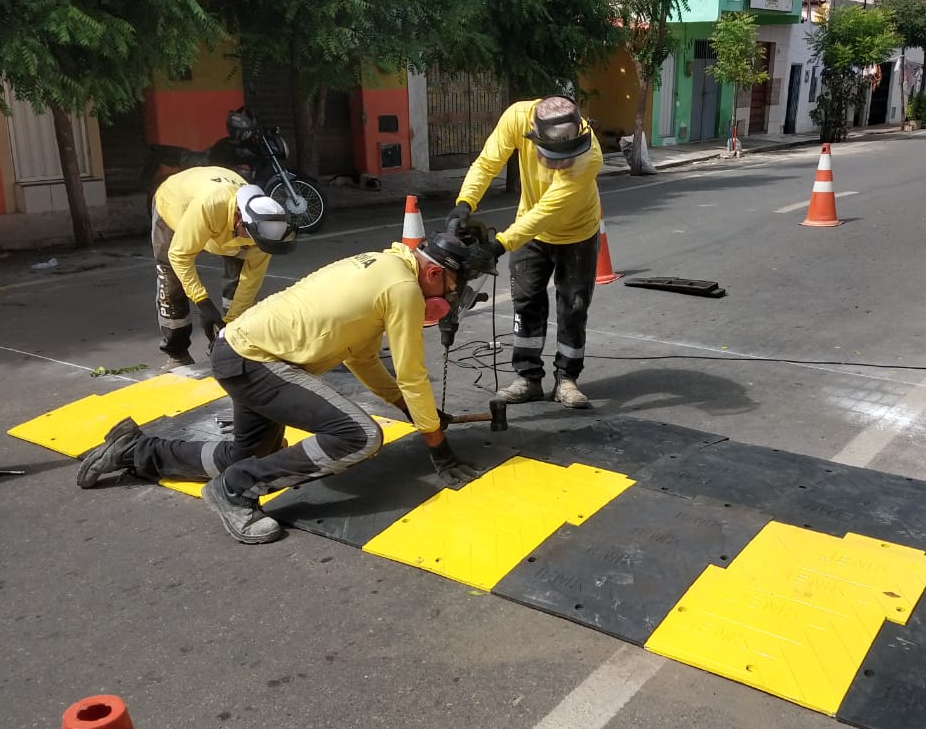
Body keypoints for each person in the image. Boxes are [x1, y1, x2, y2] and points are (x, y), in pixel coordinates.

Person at [77, 233, 493, 545]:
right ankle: (233, 491)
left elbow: (363, 359)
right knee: (360, 436)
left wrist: (408, 408)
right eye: (453, 288)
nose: (451, 298)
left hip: (239, 351)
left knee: (246, 457)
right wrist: (438, 446)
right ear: (433, 272)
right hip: (259, 361)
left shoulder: (384, 266)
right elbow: (412, 374)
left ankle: (136, 450)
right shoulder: (403, 289)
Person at [447, 95, 603, 409]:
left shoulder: (590, 156)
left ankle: (567, 379)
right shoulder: (517, 118)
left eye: (566, 156)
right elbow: (487, 163)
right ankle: (528, 378)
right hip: (529, 230)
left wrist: (499, 245)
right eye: (553, 156)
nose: (560, 164)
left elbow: (546, 212)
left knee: (573, 306)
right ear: (533, 134)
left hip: (577, 233)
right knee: (526, 302)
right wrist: (464, 204)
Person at [151, 165, 296, 369]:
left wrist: (227, 328)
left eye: (259, 243)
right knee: (171, 282)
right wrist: (203, 303)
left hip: (220, 219)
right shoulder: (210, 206)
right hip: (173, 205)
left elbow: (249, 283)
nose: (254, 247)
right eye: (253, 240)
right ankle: (177, 355)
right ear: (239, 220)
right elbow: (180, 256)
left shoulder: (264, 228)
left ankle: (232, 348)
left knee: (238, 285)